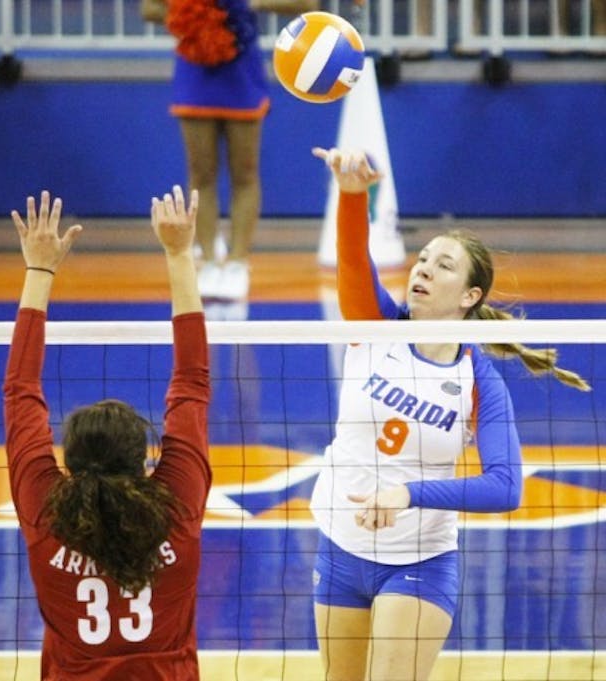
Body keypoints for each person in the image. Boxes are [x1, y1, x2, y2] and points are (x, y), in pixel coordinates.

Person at [308, 146, 590, 681]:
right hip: (340, 546)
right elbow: (350, 261)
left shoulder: (480, 383)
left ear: (470, 296)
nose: (423, 270)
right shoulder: (372, 328)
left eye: (443, 266)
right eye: (421, 260)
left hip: (418, 563)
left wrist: (407, 493)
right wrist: (351, 194)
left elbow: (506, 487)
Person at [2, 186, 211, 679]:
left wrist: (39, 270)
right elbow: (192, 384)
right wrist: (179, 254)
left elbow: (19, 391)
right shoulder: (175, 504)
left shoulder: (46, 509)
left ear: (68, 466)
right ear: (144, 462)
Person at [141, 0, 314, 300]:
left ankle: (237, 262)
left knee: (245, 172)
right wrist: (192, 16)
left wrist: (253, 2)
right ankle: (208, 261)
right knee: (201, 173)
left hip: (242, 70)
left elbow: (305, 3)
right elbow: (150, 9)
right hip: (195, 67)